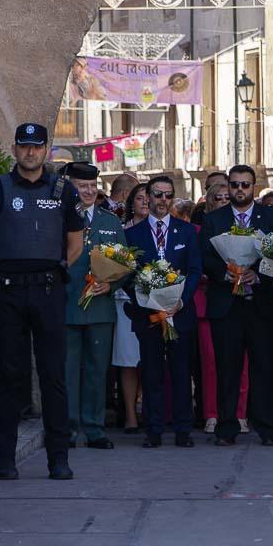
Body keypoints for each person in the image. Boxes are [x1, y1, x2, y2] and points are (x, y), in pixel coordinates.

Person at [0, 123, 83, 482]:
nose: (30, 153)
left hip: (49, 291)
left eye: (36, 147)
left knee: (53, 375)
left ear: (45, 150)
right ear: (15, 149)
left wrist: (59, 269)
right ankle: (5, 460)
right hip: (8, 292)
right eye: (24, 147)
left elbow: (76, 242)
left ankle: (59, 459)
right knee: (11, 375)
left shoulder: (63, 191)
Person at [201, 165, 273, 446]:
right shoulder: (214, 219)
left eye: (245, 185)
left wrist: (258, 273)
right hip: (227, 305)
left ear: (254, 186)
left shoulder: (272, 218)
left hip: (261, 305)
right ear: (228, 186)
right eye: (235, 185)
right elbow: (205, 256)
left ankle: (267, 428)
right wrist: (224, 273)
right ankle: (227, 428)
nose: (240, 190)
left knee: (265, 368)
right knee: (227, 369)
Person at [124, 176, 201, 448]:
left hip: (180, 313)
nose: (163, 201)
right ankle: (153, 430)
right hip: (148, 315)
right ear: (148, 196)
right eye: (158, 195)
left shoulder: (187, 231)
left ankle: (183, 430)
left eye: (168, 195)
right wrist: (146, 299)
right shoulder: (132, 233)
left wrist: (180, 300)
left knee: (182, 373)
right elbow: (127, 274)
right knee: (152, 373)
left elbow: (194, 271)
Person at [62, 162, 126, 450]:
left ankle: (95, 427)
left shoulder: (109, 221)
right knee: (67, 371)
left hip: (100, 307)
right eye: (81, 185)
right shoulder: (59, 218)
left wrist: (110, 284)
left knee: (97, 371)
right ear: (69, 186)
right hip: (66, 304)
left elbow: (125, 264)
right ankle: (69, 427)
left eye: (91, 186)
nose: (88, 191)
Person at [195, 181, 249, 435]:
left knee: (243, 364)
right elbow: (198, 266)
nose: (225, 201)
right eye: (219, 198)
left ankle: (239, 414)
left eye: (229, 197)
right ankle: (213, 413)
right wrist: (220, 274)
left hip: (245, 302)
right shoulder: (202, 230)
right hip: (212, 305)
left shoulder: (246, 229)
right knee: (213, 363)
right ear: (209, 203)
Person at [112, 185, 148, 433]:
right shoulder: (121, 232)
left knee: (152, 361)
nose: (145, 202)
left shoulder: (164, 231)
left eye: (150, 197)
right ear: (131, 203)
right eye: (140, 198)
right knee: (128, 360)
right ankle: (130, 415)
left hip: (155, 303)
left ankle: (148, 409)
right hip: (125, 301)